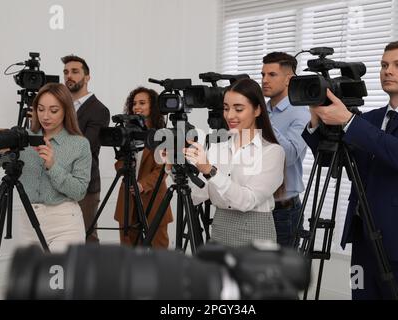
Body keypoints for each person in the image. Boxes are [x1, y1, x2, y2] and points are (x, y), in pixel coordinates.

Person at [302, 40, 398, 299]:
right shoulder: (370, 119)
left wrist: (349, 121)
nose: (388, 71)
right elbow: (333, 161)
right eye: (384, 65)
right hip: (364, 238)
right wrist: (317, 121)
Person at [164, 78, 285, 247]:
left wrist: (210, 171)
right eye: (226, 108)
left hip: (256, 234)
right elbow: (196, 195)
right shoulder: (216, 149)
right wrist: (173, 168)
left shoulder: (272, 152)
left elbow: (247, 201)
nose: (229, 116)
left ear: (257, 110)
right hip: (220, 230)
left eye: (239, 109)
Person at [0, 83, 91, 253]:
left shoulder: (80, 144)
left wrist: (53, 166)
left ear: (66, 110)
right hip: (28, 222)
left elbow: (79, 191)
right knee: (31, 279)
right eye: (40, 109)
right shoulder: (23, 139)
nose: (45, 116)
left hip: (64, 224)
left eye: (53, 110)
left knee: (57, 278)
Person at [114, 87, 173, 248]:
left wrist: (142, 185)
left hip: (153, 200)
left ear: (152, 107)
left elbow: (164, 168)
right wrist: (125, 166)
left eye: (142, 103)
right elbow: (118, 162)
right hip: (128, 200)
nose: (137, 107)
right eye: (134, 103)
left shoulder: (163, 134)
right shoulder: (127, 132)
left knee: (159, 251)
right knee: (128, 252)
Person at [261, 52, 310, 247]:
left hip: (283, 211)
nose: (264, 80)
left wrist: (263, 122)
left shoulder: (301, 114)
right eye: (262, 74)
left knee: (281, 274)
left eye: (272, 75)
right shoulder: (261, 110)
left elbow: (288, 156)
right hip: (255, 204)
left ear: (289, 79)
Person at [61, 55, 110, 243]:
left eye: (75, 71)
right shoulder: (59, 108)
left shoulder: (99, 110)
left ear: (87, 77)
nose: (69, 76)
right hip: (57, 182)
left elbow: (85, 147)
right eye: (66, 72)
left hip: (85, 186)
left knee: (87, 237)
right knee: (62, 238)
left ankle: (92, 273)